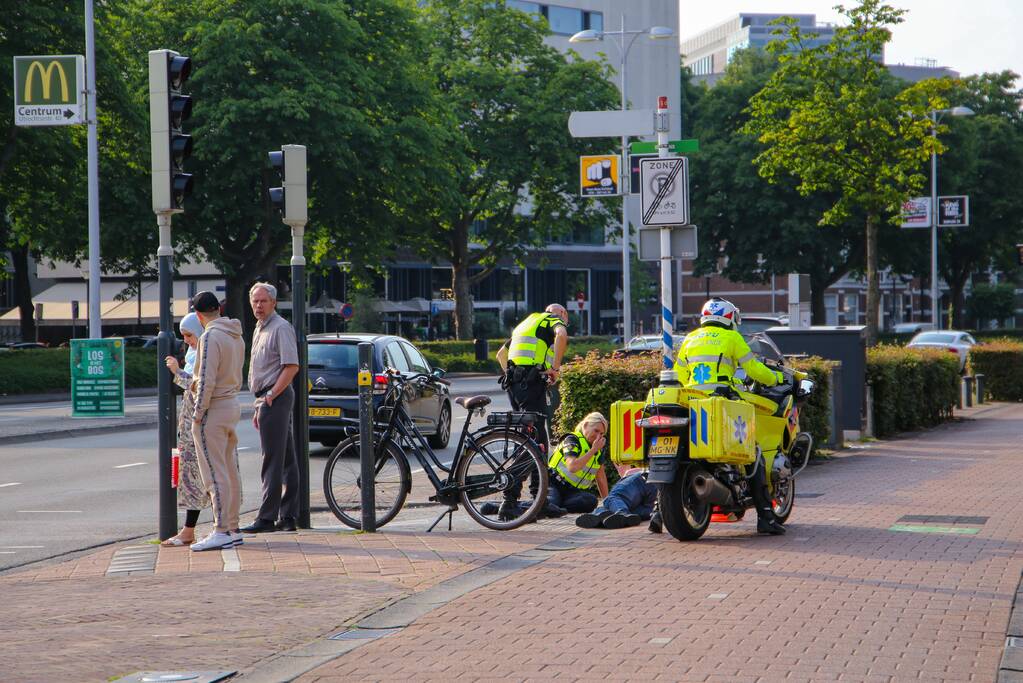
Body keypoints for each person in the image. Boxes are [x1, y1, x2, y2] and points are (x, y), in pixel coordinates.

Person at [674, 297, 787, 536]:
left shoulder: (690, 338)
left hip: (693, 400)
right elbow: (753, 369)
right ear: (729, 317)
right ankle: (766, 516)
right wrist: (776, 378)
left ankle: (658, 513)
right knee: (753, 453)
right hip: (723, 401)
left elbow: (680, 373)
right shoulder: (732, 337)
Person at [496, 304, 569, 520]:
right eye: (565, 317)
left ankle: (540, 500)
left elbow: (501, 354)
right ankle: (509, 500)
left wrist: (514, 376)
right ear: (562, 314)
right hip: (531, 385)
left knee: (537, 441)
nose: (565, 322)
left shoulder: (527, 322)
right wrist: (555, 369)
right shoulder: (552, 320)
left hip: (516, 386)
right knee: (533, 442)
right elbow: (561, 335)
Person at [240, 283, 301, 534]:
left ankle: (266, 518)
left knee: (272, 460)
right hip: (266, 398)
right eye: (255, 301)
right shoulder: (260, 328)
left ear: (274, 303)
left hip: (275, 396)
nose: (258, 305)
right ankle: (288, 516)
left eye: (263, 301)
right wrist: (260, 404)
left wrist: (270, 396)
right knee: (285, 459)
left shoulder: (280, 328)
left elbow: (291, 366)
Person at [189, 291, 246, 551]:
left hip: (214, 408)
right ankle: (233, 527)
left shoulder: (210, 336)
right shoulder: (235, 334)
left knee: (213, 472)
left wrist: (198, 412)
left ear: (198, 315)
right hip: (232, 403)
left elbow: (206, 377)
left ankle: (221, 529)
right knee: (229, 470)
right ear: (218, 309)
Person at [160, 312, 211, 547]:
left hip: (199, 425)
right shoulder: (195, 354)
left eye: (189, 335)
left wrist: (176, 372)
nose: (187, 340)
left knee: (198, 478)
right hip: (193, 425)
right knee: (197, 478)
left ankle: (191, 531)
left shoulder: (205, 353)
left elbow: (198, 385)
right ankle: (194, 529)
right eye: (184, 336)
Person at [545, 412, 609, 515]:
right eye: (596, 431)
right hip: (554, 483)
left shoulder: (598, 449)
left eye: (601, 434)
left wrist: (608, 503)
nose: (598, 436)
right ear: (585, 425)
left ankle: (557, 507)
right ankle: (524, 507)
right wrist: (593, 450)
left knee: (591, 501)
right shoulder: (572, 439)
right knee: (549, 505)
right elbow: (572, 467)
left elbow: (600, 476)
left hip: (572, 492)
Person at [576, 464, 658, 530]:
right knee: (643, 511)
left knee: (613, 497)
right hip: (654, 498)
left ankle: (617, 513)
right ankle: (607, 515)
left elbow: (629, 473)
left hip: (645, 479)